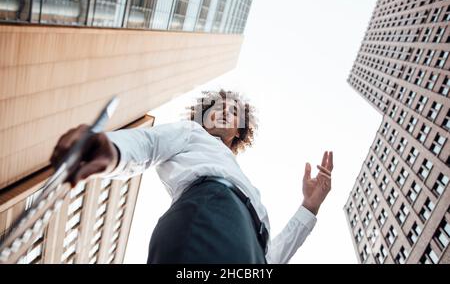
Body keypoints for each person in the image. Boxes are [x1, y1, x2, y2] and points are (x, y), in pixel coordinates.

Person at [50, 89, 334, 264]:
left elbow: (271, 257)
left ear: (239, 131)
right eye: (216, 108)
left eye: (233, 111)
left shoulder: (244, 182)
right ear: (203, 118)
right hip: (208, 214)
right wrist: (110, 150)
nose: (223, 111)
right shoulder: (191, 134)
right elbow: (149, 144)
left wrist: (309, 208)